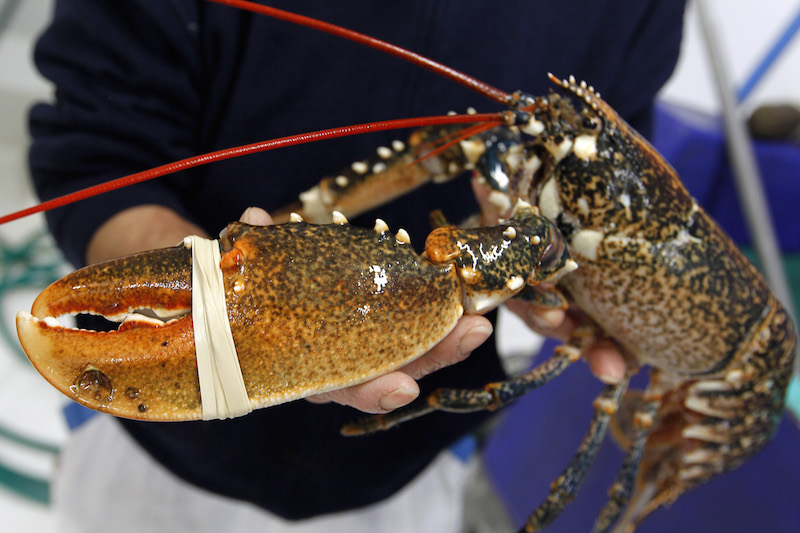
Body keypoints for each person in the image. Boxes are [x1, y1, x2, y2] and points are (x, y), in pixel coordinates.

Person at [28, 1, 686, 531]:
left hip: (409, 468)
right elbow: (98, 147)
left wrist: (559, 277)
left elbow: (609, 188)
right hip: (156, 447)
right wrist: (227, 313)